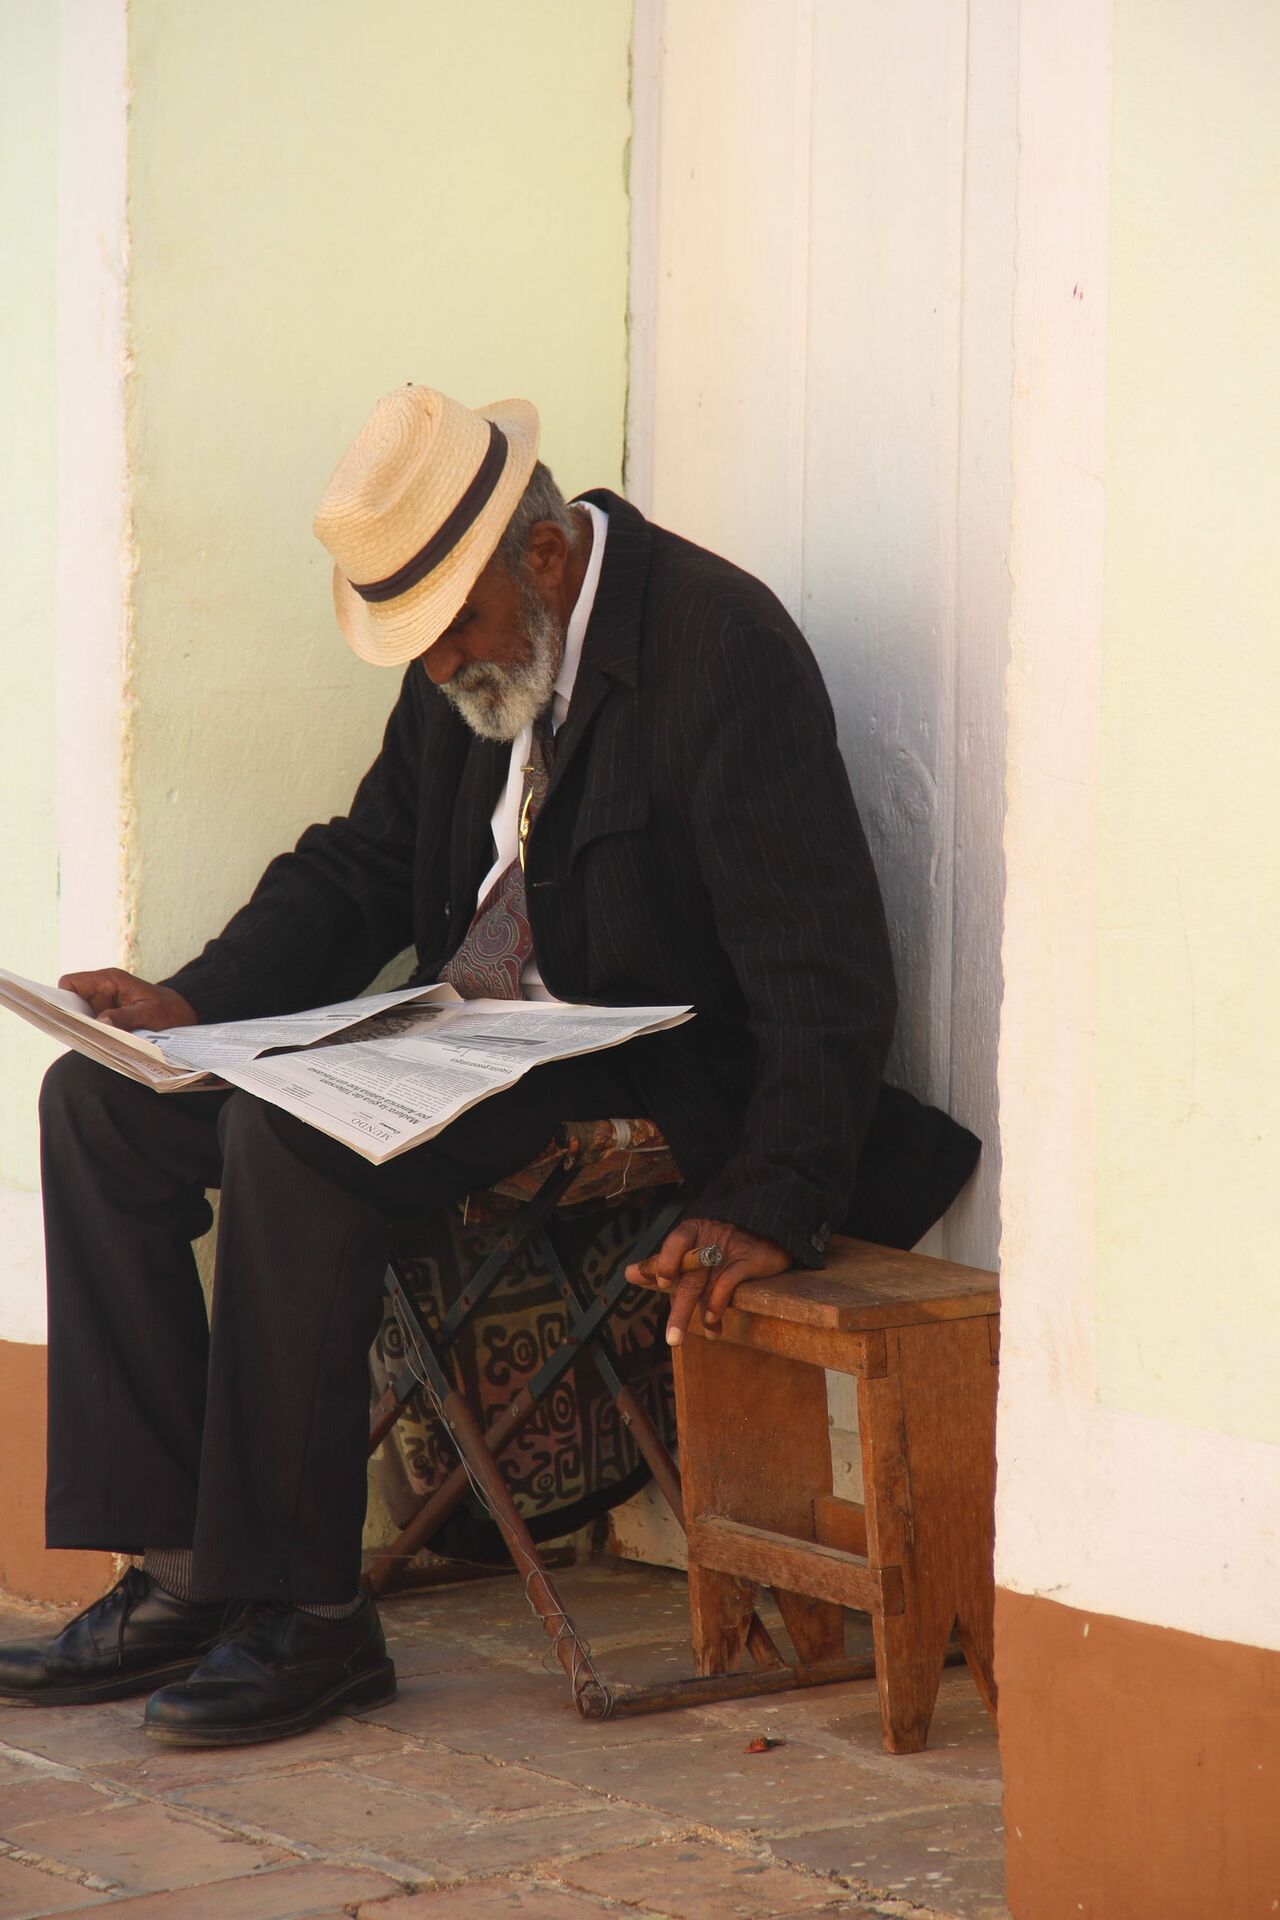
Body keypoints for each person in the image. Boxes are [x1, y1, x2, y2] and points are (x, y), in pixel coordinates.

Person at [0, 386, 970, 1748]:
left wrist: (774, 1193)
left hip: (642, 1066)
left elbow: (826, 966)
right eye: (422, 642)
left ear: (547, 556)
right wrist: (189, 1000)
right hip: (468, 1042)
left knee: (293, 1144)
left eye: (456, 629)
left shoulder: (721, 648)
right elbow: (365, 865)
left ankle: (311, 1617)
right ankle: (179, 1576)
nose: (444, 663)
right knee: (100, 1104)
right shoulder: (468, 661)